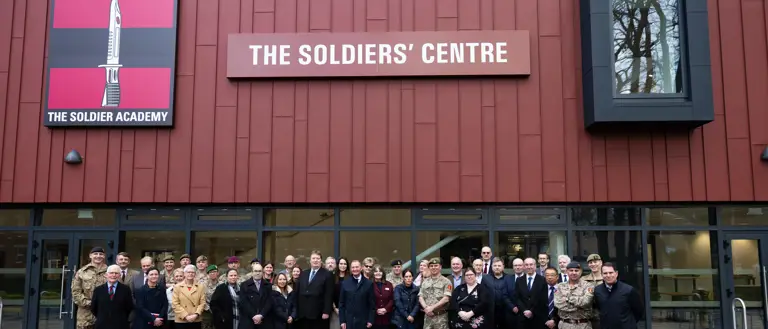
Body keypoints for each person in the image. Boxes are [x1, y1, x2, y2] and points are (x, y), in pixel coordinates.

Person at [292, 250, 335, 329]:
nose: (315, 260)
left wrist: (326, 311)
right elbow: (297, 292)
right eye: (313, 258)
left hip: (318, 314)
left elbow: (329, 294)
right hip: (303, 314)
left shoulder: (327, 274)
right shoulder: (304, 273)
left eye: (318, 258)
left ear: (321, 261)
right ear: (310, 260)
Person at [593, 262, 643, 329]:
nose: (608, 275)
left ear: (616, 273)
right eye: (605, 273)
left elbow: (639, 311)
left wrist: (628, 324)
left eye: (611, 272)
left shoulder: (628, 290)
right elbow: (599, 308)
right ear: (601, 275)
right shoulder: (597, 290)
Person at [72, 246, 108, 329]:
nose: (98, 256)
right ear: (90, 256)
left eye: (101, 254)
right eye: (95, 254)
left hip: (105, 313)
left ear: (104, 256)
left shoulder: (110, 271)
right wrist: (90, 304)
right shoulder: (82, 272)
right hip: (85, 315)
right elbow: (76, 293)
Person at [92, 265, 134, 329]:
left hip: (120, 325)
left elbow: (129, 307)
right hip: (102, 325)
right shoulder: (98, 290)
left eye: (116, 273)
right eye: (111, 273)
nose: (113, 275)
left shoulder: (126, 289)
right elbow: (94, 308)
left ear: (119, 275)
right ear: (106, 275)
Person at [553, 262, 594, 329]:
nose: (574, 273)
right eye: (571, 270)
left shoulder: (588, 286)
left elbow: (585, 302)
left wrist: (567, 299)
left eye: (576, 270)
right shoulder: (560, 286)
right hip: (564, 325)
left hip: (583, 325)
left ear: (581, 272)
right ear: (566, 271)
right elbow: (558, 304)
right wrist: (578, 305)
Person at [339, 260, 375, 329]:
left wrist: (370, 320)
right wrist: (342, 321)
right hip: (349, 322)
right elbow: (341, 304)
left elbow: (372, 304)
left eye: (357, 267)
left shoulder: (368, 284)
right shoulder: (345, 283)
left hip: (363, 322)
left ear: (361, 268)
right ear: (350, 269)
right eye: (353, 267)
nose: (355, 269)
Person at [419, 257, 452, 329]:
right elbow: (421, 296)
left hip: (441, 318)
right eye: (431, 266)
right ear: (429, 268)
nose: (433, 267)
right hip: (428, 318)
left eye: (436, 265)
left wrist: (432, 308)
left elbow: (446, 298)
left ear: (440, 267)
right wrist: (426, 308)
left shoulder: (446, 281)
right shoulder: (425, 281)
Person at [514, 258, 547, 329]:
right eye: (526, 265)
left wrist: (532, 311)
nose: (529, 267)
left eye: (531, 264)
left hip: (537, 317)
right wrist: (524, 310)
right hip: (523, 317)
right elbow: (517, 298)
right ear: (524, 266)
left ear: (535, 266)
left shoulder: (542, 280)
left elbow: (543, 298)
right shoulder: (519, 280)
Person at [483, 257, 515, 329]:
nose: (497, 267)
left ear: (503, 266)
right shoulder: (485, 278)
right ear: (491, 267)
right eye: (495, 266)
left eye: (499, 266)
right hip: (491, 311)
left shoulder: (509, 278)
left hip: (506, 311)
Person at [239, 263, 273, 329]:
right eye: (255, 271)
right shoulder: (244, 285)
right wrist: (254, 316)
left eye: (260, 271)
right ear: (252, 272)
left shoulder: (268, 285)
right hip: (248, 321)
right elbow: (243, 302)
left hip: (264, 321)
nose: (258, 273)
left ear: (263, 272)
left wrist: (261, 315)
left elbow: (269, 302)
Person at [372, 265, 394, 329]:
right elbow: (369, 300)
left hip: (387, 317)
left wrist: (385, 309)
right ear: (373, 273)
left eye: (380, 271)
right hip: (374, 318)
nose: (378, 273)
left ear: (383, 273)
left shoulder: (389, 284)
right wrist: (376, 310)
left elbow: (392, 299)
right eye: (376, 271)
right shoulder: (370, 285)